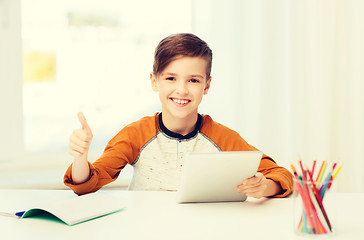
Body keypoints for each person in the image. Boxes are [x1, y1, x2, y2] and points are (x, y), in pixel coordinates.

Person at [64, 33, 293, 198]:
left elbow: (281, 174)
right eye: (171, 78)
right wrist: (80, 157)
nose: (182, 90)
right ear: (154, 81)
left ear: (207, 85)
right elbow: (87, 184)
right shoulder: (136, 134)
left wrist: (266, 187)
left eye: (193, 80)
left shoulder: (221, 137)